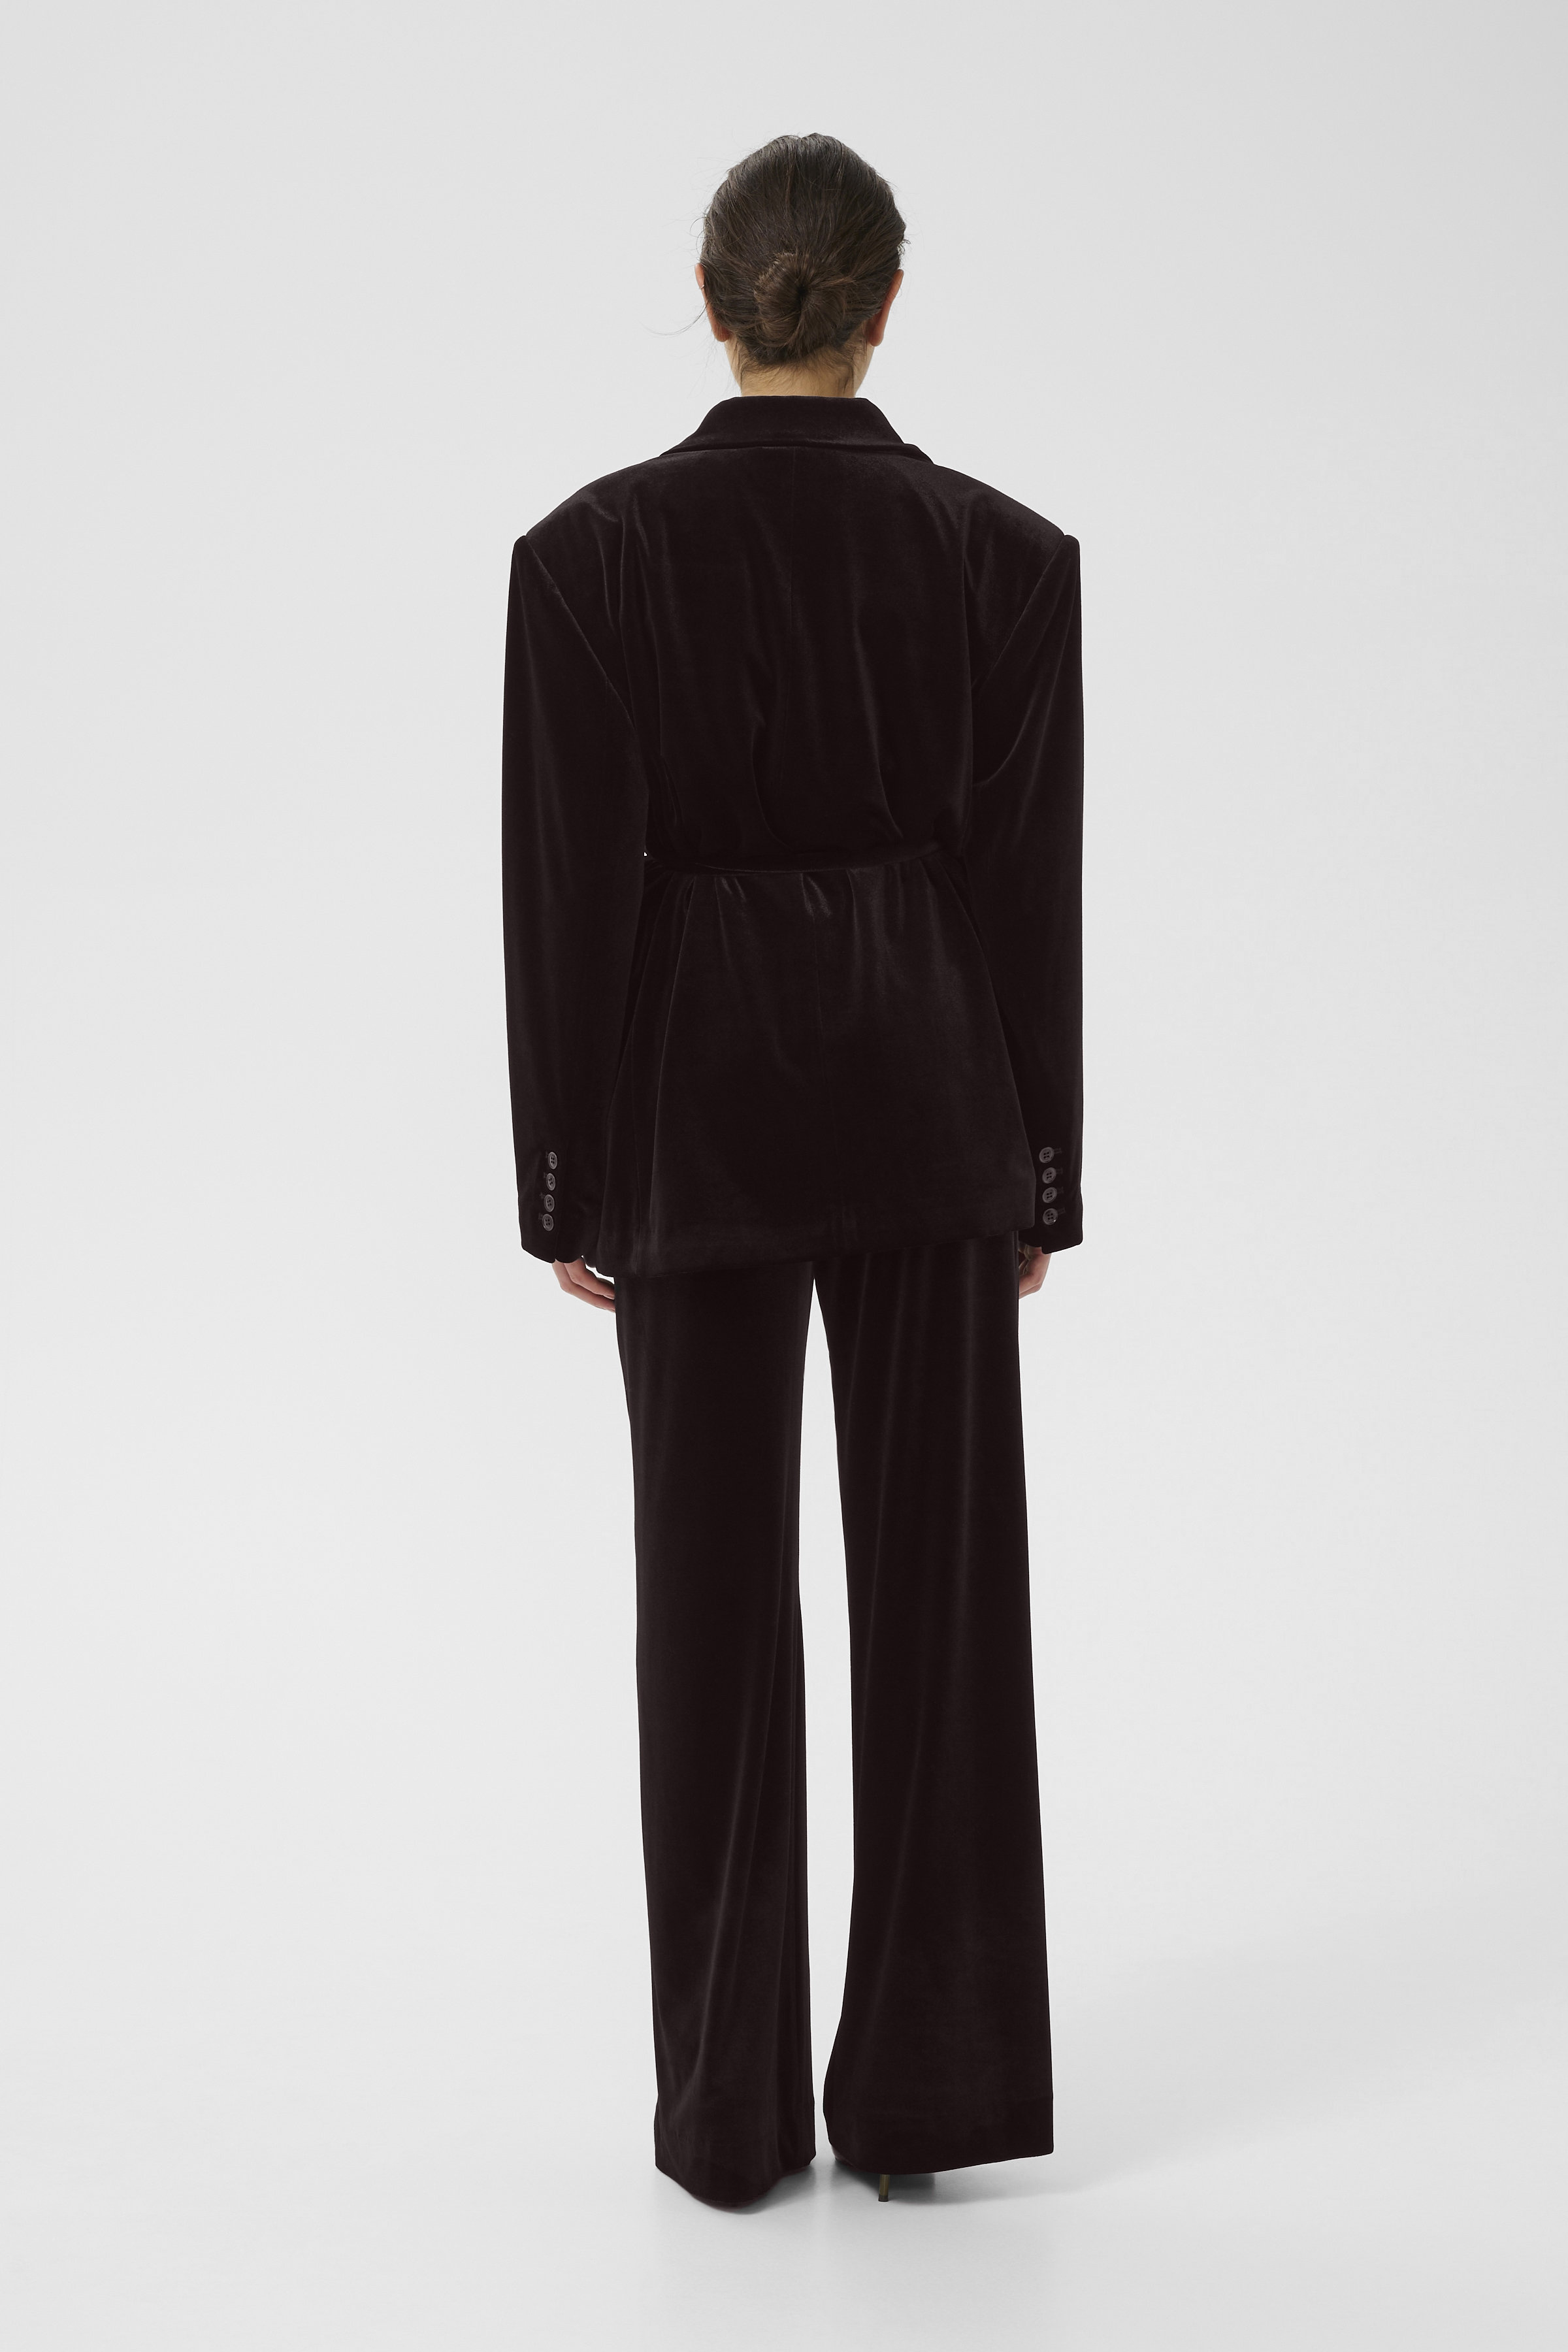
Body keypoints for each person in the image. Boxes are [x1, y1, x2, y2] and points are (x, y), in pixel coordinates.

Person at [500, 132, 1083, 2210]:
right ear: (885, 305)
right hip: (928, 1096)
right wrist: (1037, 1170)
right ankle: (931, 2094)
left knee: (708, 1611)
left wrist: (566, 1177)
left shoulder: (587, 558)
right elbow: (1027, 887)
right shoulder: (1007, 557)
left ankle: (727, 2118)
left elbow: (567, 883)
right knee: (944, 1611)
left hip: (697, 1111)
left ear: (713, 295)